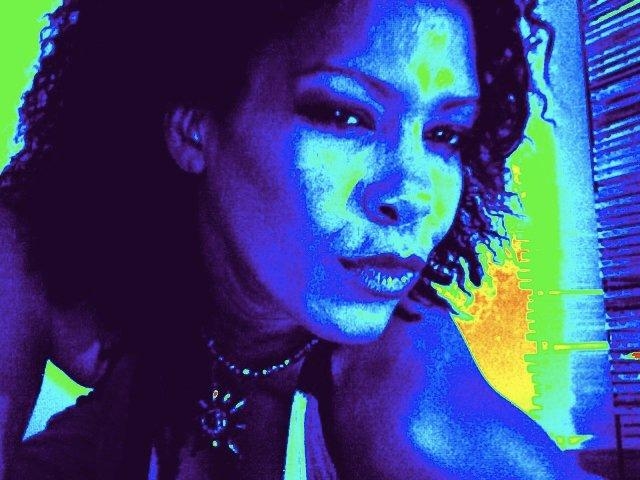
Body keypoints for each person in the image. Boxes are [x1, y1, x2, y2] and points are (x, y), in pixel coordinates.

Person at [0, 0, 604, 478]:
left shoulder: (409, 406)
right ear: (193, 125)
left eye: (445, 134)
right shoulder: (43, 252)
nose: (413, 194)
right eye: (345, 115)